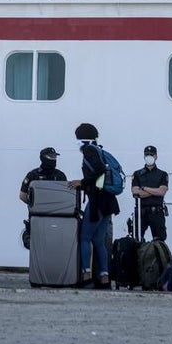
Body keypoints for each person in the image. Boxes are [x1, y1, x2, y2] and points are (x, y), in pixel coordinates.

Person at [69, 123, 119, 289]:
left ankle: (86, 275)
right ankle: (104, 278)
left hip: (97, 200)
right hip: (108, 201)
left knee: (84, 238)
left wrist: (81, 182)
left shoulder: (89, 150)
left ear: (82, 139)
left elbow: (98, 171)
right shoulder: (99, 149)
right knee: (98, 240)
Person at [131, 145, 169, 242]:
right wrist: (154, 191)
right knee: (136, 239)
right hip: (141, 212)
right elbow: (136, 192)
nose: (148, 156)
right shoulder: (137, 174)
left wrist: (144, 188)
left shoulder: (162, 174)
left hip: (156, 212)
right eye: (146, 154)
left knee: (159, 240)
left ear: (156, 156)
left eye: (151, 154)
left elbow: (162, 192)